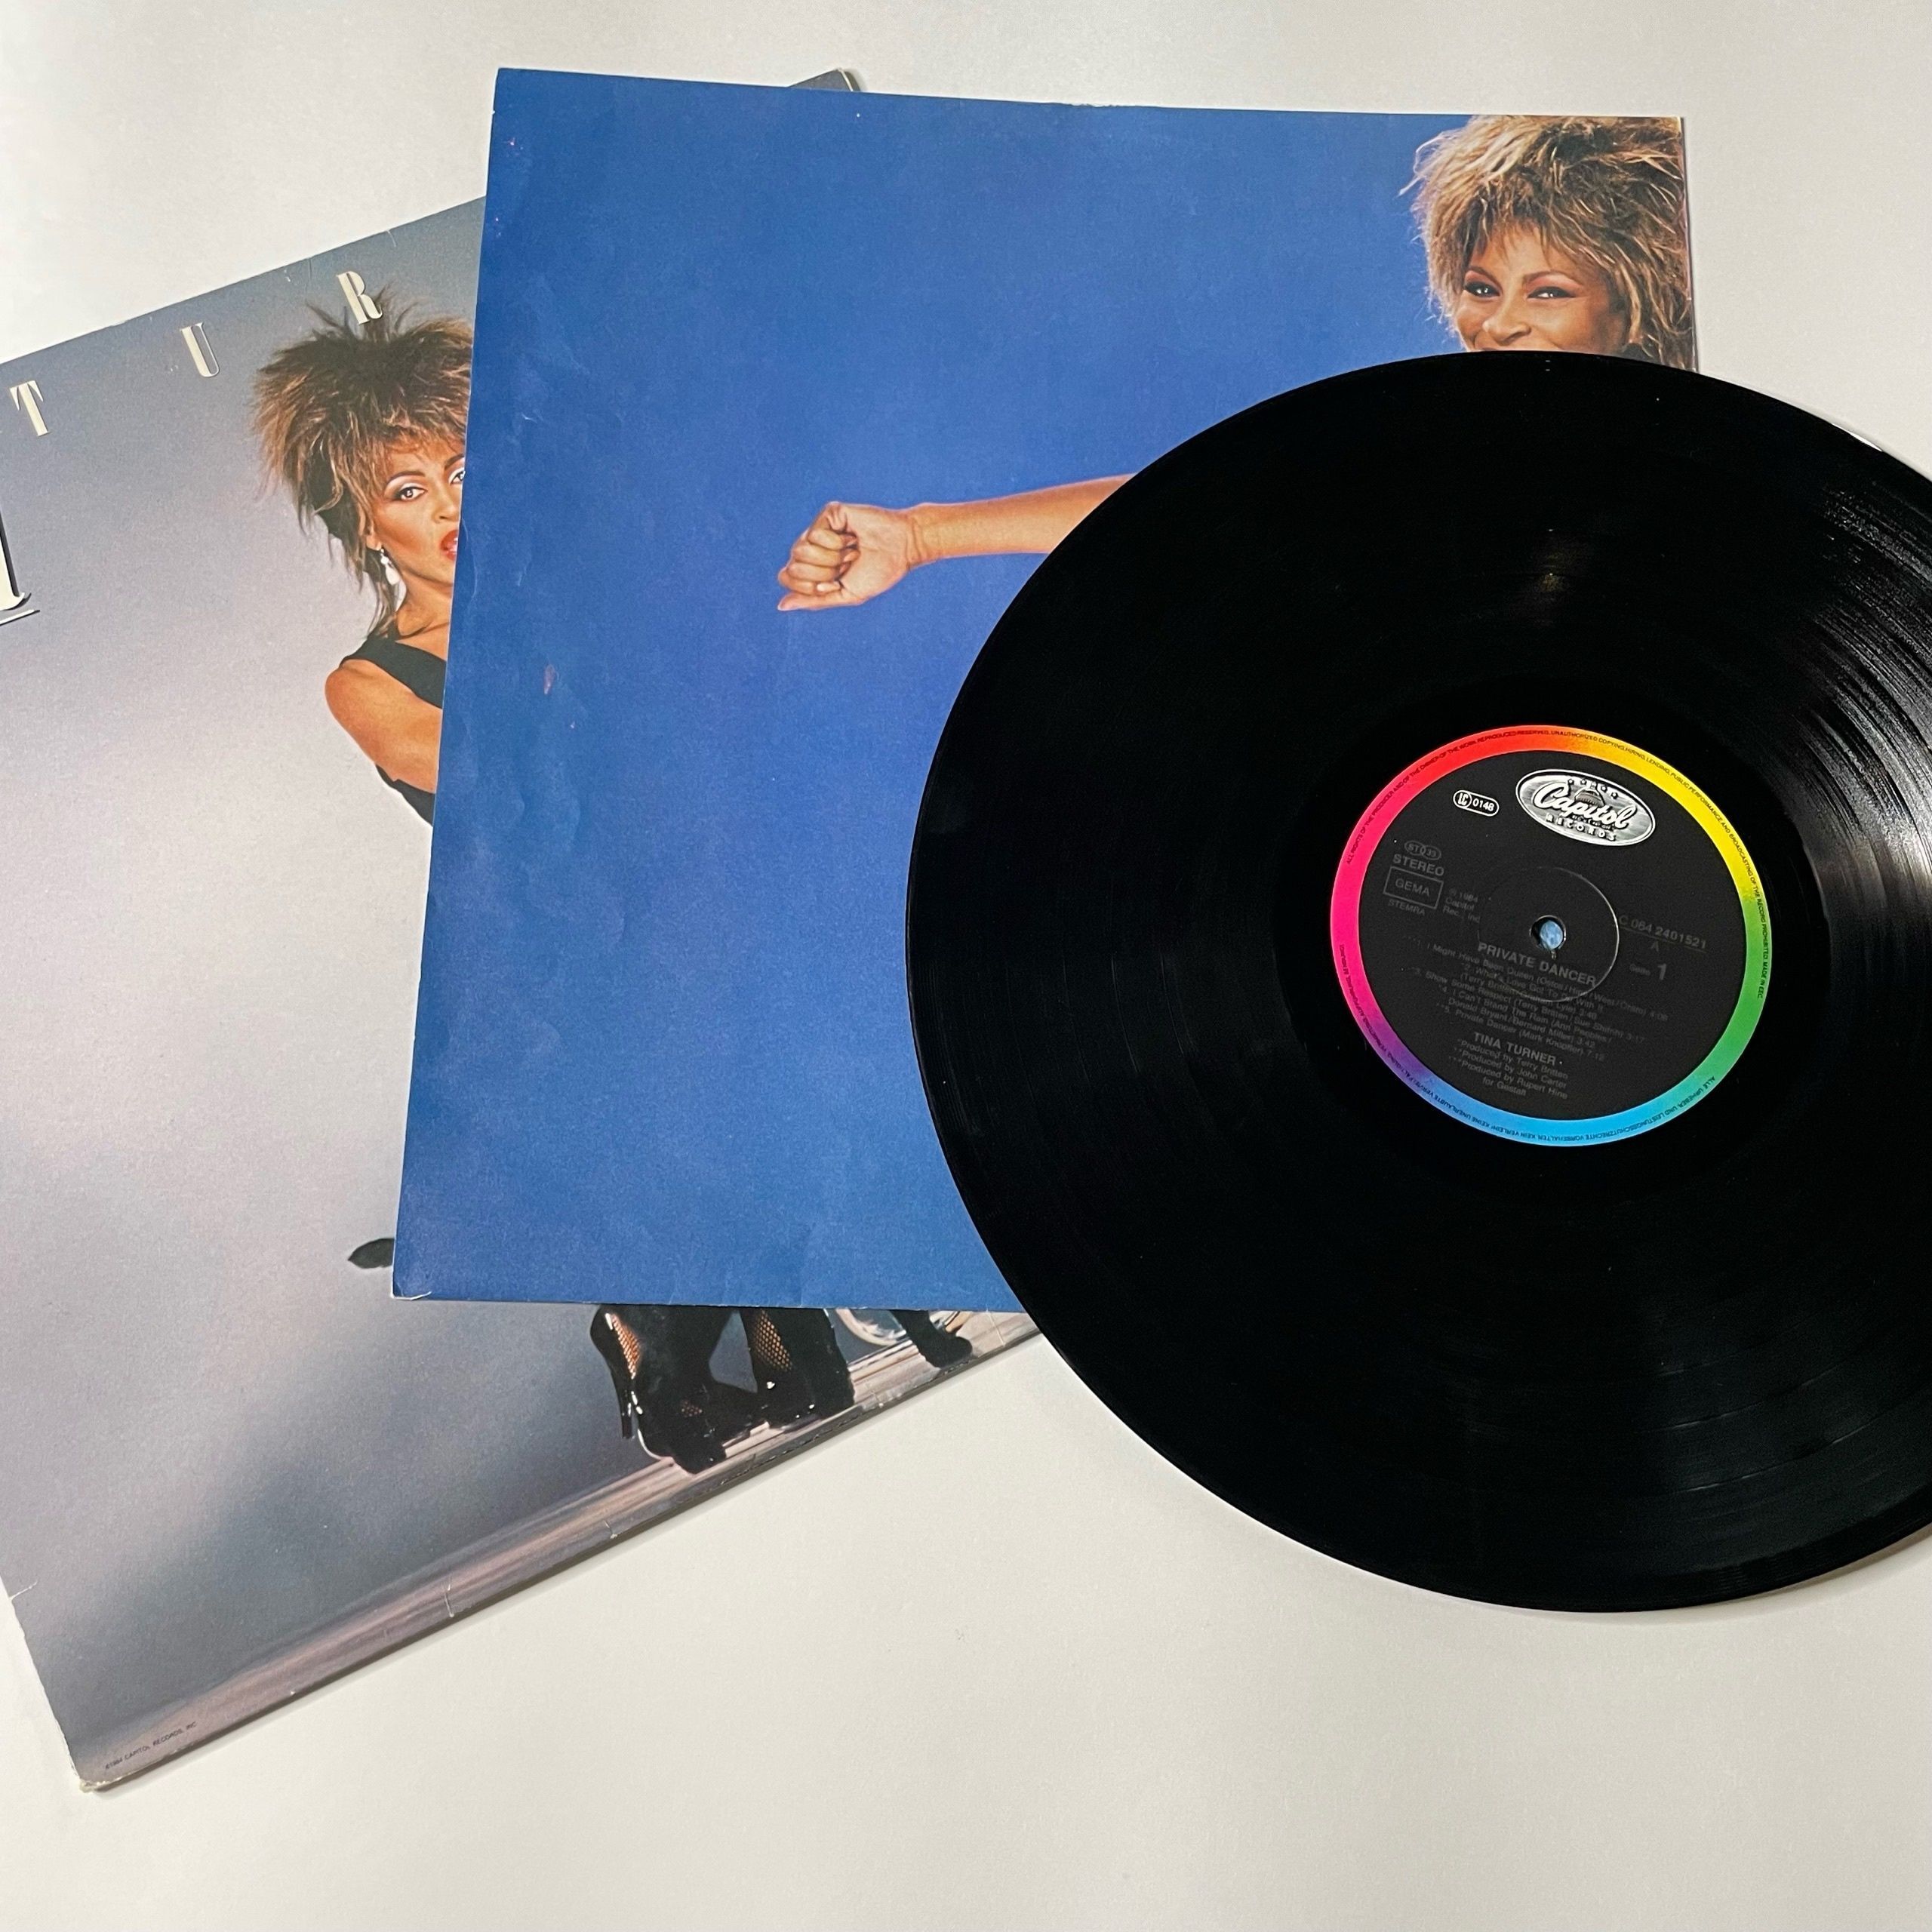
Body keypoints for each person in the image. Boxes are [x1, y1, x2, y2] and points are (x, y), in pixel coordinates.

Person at [253, 306, 964, 1472]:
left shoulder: (586, 589)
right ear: (362, 521)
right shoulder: (368, 683)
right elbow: (522, 779)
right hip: (576, 953)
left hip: (702, 904)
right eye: (407, 491)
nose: (450, 509)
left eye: (468, 470)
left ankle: (709, 1312)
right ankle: (662, 1323)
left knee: (809, 1362)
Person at [775, 115, 1693, 611]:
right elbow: (1198, 502)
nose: (1497, 325)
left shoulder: (1698, 461)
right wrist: (920, 536)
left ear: (1636, 301)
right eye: (1480, 287)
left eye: (1547, 292)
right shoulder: (1438, 450)